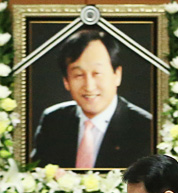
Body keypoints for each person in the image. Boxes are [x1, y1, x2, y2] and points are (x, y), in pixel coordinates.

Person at [31, 29, 152, 169]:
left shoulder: (145, 127)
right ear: (66, 81)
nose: (89, 86)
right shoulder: (53, 121)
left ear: (117, 75)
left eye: (97, 73)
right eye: (78, 75)